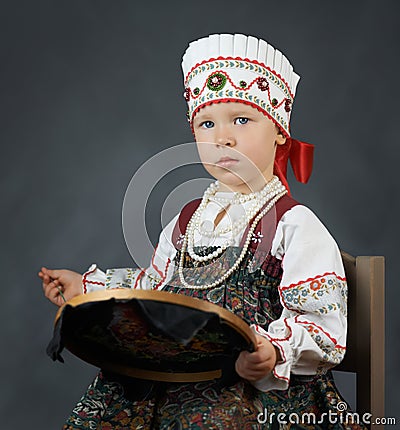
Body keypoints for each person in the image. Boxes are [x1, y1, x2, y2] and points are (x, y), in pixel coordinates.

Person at [40, 33, 364, 429]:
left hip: (249, 384)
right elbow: (156, 288)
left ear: (280, 131)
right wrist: (89, 288)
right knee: (113, 405)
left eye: (241, 120)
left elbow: (322, 325)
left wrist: (274, 352)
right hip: (172, 371)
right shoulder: (187, 218)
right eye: (206, 123)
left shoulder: (293, 224)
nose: (222, 138)